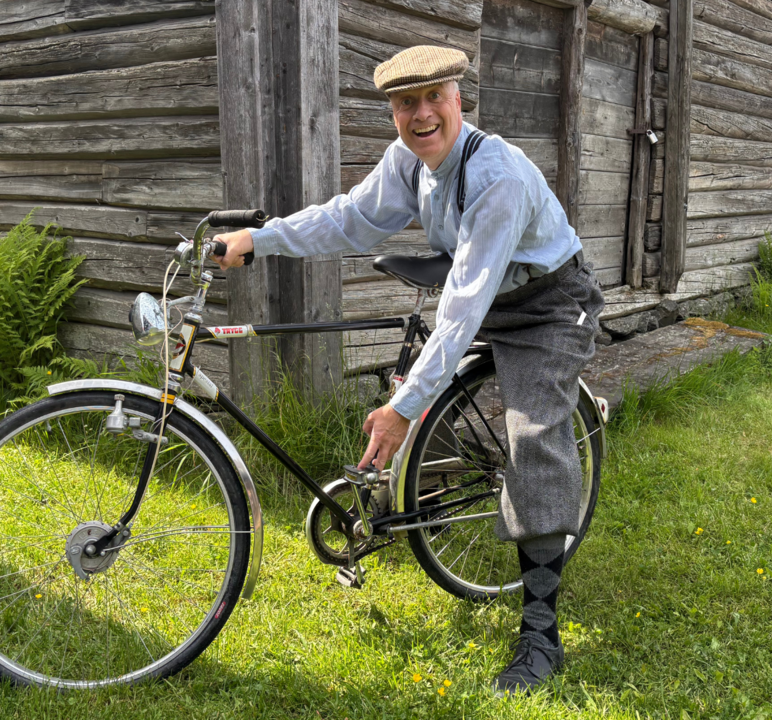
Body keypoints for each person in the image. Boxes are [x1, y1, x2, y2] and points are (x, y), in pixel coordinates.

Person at [212, 45, 604, 695]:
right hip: (482, 290)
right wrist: (260, 240)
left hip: (547, 305)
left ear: (458, 99)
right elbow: (350, 220)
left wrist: (403, 410)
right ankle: (425, 506)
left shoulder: (496, 174)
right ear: (393, 112)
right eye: (404, 103)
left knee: (532, 437)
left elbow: (462, 308)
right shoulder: (407, 162)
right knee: (426, 391)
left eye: (434, 97)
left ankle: (541, 632)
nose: (421, 114)